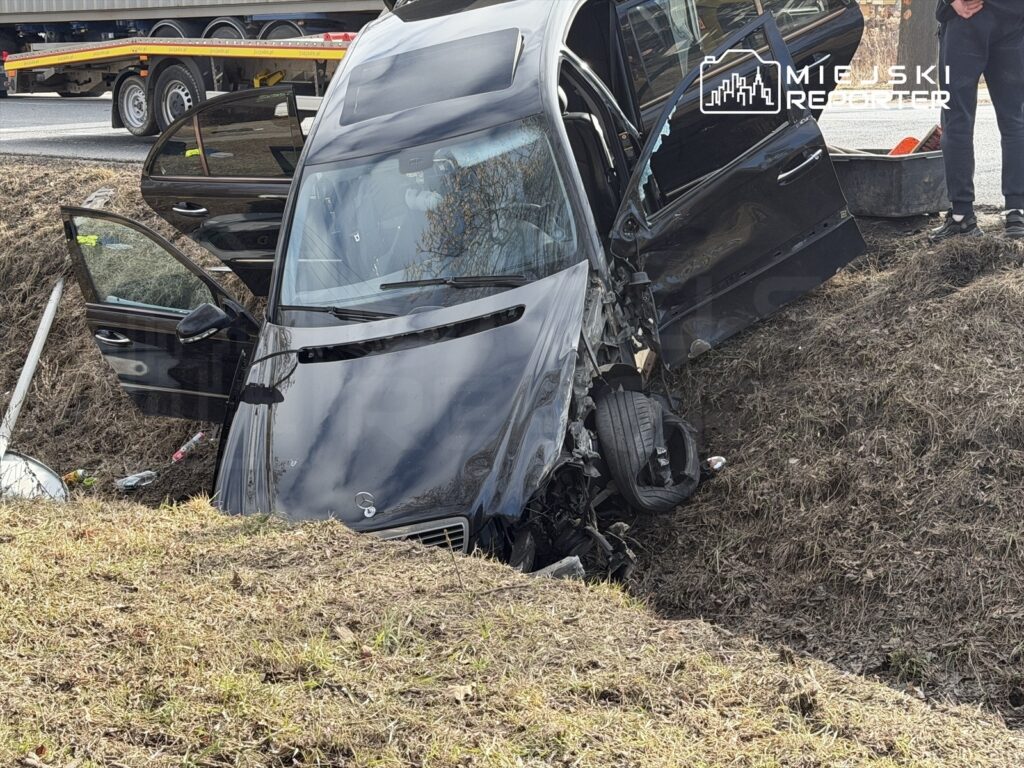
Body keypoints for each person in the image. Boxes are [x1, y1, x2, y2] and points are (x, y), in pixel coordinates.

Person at [930, 0, 1024, 241]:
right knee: (1015, 118)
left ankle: (962, 218)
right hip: (1013, 18)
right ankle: (1017, 211)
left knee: (957, 119)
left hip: (966, 18)